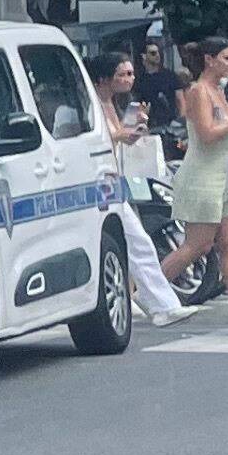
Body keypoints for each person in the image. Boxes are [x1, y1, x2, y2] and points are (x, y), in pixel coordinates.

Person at [95, 45, 191, 322]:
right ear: (105, 78)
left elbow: (117, 137)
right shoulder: (91, 103)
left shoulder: (112, 102)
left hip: (113, 182)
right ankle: (158, 304)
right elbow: (104, 138)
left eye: (131, 74)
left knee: (137, 242)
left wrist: (132, 129)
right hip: (99, 185)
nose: (129, 79)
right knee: (134, 242)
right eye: (122, 74)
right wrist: (123, 134)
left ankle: (161, 303)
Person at [168, 35, 228, 315]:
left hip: (225, 175)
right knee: (198, 245)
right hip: (203, 176)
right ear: (209, 60)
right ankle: (143, 290)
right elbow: (206, 134)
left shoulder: (220, 91)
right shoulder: (199, 91)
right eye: (227, 59)